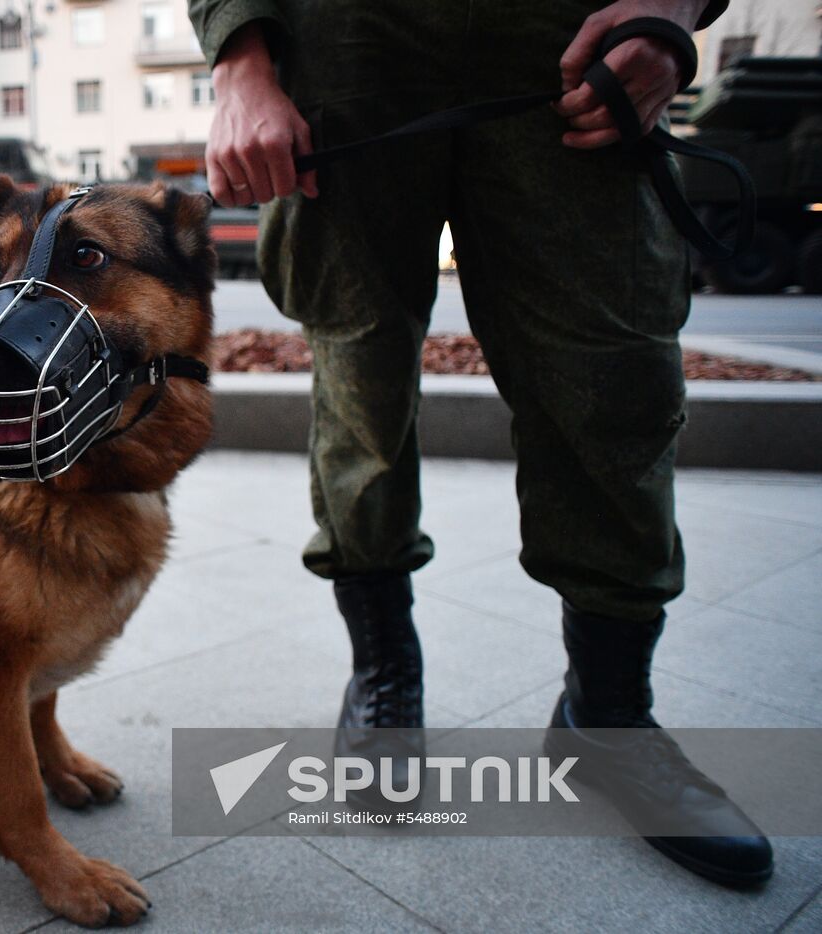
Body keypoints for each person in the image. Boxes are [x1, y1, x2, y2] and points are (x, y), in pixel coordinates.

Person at [188, 0, 773, 887]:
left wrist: (671, 13)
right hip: (345, 39)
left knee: (614, 378)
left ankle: (609, 716)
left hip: (564, 36)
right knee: (360, 382)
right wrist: (239, 59)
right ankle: (384, 671)